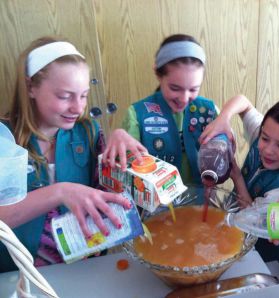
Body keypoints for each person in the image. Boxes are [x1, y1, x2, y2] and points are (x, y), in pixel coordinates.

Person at [0, 36, 146, 272]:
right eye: (65, 96)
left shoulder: (87, 132)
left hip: (83, 266)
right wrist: (60, 191)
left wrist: (119, 138)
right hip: (19, 274)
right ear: (30, 87)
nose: (78, 108)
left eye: (84, 95)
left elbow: (112, 191)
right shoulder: (4, 138)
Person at [199, 94, 279, 277]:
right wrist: (223, 119)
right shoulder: (266, 133)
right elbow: (243, 102)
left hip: (268, 261)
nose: (268, 149)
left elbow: (252, 216)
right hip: (244, 238)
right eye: (265, 138)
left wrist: (237, 177)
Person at [120, 34, 219, 185]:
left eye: (193, 89)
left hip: (202, 203)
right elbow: (126, 170)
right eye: (175, 88)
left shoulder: (209, 111)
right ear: (158, 74)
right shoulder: (137, 114)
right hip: (157, 205)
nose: (184, 98)